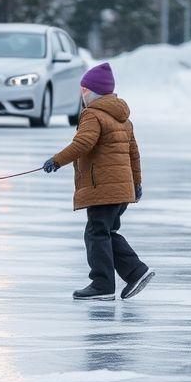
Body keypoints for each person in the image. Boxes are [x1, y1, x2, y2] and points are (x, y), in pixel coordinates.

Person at [43, 62, 155, 301]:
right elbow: (134, 153)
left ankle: (102, 284)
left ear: (87, 92)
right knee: (105, 231)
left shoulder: (92, 115)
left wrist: (57, 160)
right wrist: (136, 184)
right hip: (121, 189)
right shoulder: (123, 119)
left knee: (96, 233)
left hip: (103, 188)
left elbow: (83, 143)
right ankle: (136, 271)